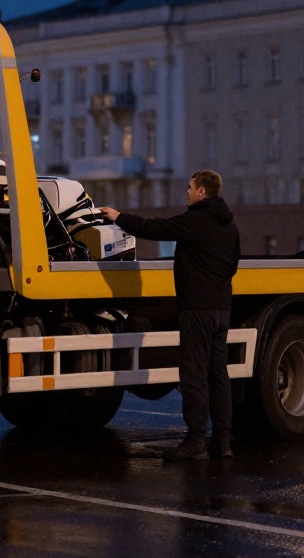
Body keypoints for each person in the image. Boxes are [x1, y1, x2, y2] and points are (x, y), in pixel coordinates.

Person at [99, 170, 240, 461]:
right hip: (221, 308)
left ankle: (196, 441)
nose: (186, 192)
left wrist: (118, 217)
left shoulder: (195, 221)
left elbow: (154, 228)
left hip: (197, 310)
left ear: (202, 192)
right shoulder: (230, 225)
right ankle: (223, 442)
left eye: (190, 187)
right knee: (218, 376)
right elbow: (232, 265)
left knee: (194, 376)